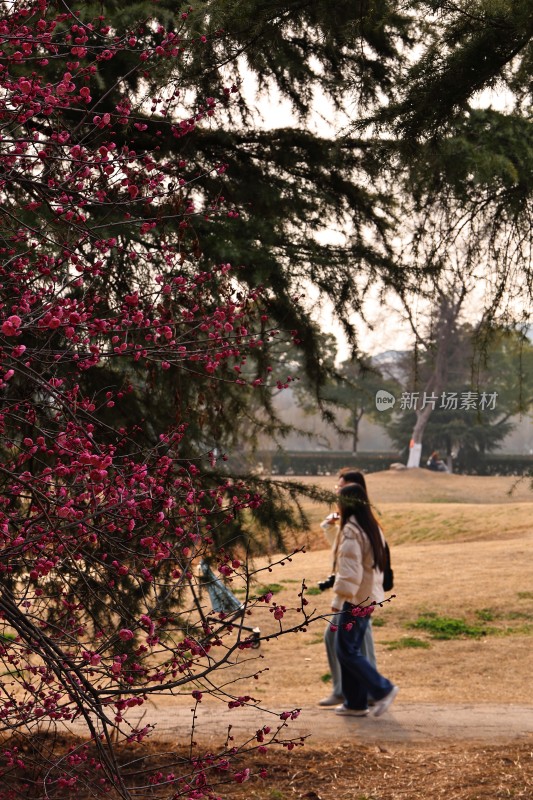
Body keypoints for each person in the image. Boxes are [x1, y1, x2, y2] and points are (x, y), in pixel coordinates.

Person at [331, 482, 399, 717]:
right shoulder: (371, 526)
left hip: (356, 599)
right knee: (348, 648)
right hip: (369, 596)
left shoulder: (352, 529)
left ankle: (382, 689)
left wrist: (339, 599)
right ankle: (355, 703)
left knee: (346, 650)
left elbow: (351, 572)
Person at [318, 469, 377, 707]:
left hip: (357, 595)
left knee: (357, 644)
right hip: (353, 592)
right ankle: (346, 690)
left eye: (341, 488)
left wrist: (340, 598)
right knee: (340, 640)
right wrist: (330, 523)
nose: (337, 491)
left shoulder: (359, 524)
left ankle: (371, 691)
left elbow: (354, 563)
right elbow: (339, 551)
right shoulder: (350, 522)